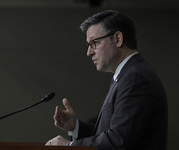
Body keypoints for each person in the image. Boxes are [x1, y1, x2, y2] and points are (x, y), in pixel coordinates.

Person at [45, 10, 168, 150]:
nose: (89, 52)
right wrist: (75, 127)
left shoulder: (135, 78)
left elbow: (119, 141)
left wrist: (70, 145)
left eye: (94, 43)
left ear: (117, 39)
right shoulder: (127, 75)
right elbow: (111, 134)